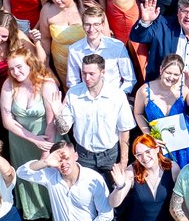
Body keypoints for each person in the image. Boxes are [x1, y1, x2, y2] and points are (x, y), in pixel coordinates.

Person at [53, 54, 136, 182]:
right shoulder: (73, 93)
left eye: (92, 74)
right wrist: (57, 114)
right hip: (83, 155)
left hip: (110, 155)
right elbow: (63, 129)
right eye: (84, 73)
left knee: (112, 195)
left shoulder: (117, 95)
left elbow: (124, 130)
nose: (87, 78)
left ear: (102, 72)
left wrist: (123, 162)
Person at [0, 50, 58, 221]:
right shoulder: (9, 85)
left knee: (47, 172)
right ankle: (34, 211)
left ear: (30, 64)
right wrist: (33, 139)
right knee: (26, 173)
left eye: (19, 67)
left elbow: (51, 120)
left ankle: (52, 213)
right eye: (12, 69)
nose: (16, 72)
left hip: (48, 136)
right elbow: (7, 120)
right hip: (21, 139)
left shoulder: (47, 84)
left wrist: (45, 146)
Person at [133, 54, 189, 169]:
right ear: (161, 69)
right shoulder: (144, 91)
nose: (171, 77)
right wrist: (148, 135)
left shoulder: (183, 90)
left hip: (185, 140)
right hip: (160, 141)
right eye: (168, 72)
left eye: (176, 74)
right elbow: (138, 113)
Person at [66, 6, 135, 93]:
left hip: (114, 97)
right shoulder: (74, 50)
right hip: (87, 97)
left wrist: (119, 97)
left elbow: (129, 79)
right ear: (83, 25)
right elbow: (72, 82)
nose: (92, 29)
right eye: (87, 24)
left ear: (102, 25)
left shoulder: (117, 46)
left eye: (96, 24)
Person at [37, 0, 85, 87]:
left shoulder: (86, 7)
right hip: (61, 66)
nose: (57, 0)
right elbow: (45, 38)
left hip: (86, 63)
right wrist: (46, 63)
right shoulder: (47, 10)